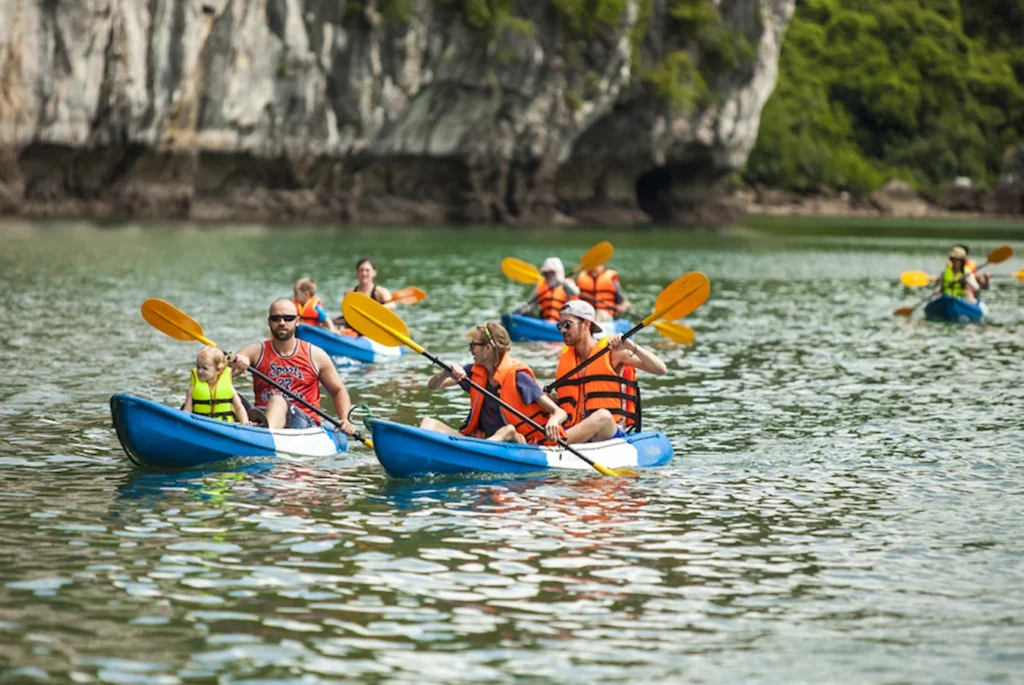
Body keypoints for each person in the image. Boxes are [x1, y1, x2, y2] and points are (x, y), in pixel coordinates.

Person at [420, 321, 568, 444]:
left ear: (488, 349)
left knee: (507, 430)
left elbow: (560, 412)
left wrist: (554, 421)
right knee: (429, 423)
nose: (470, 350)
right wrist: (446, 372)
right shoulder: (472, 372)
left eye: (473, 345)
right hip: (482, 441)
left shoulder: (519, 377)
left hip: (519, 443)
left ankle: (481, 451)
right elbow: (432, 386)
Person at [230, 299, 356, 433]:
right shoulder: (255, 352)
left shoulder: (316, 355)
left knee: (278, 399)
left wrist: (344, 419)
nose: (282, 323)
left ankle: (265, 434)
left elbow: (338, 391)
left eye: (288, 318)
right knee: (229, 394)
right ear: (269, 322)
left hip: (304, 423)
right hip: (262, 415)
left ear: (297, 321)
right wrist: (235, 363)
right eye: (276, 318)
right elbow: (221, 372)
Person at [551, 300, 666, 443]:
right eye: (559, 325)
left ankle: (551, 444)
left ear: (586, 324)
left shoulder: (614, 352)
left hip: (608, 433)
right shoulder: (566, 356)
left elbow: (660, 369)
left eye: (567, 324)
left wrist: (631, 346)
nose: (562, 330)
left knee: (603, 416)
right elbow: (567, 401)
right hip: (573, 428)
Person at [183, 346, 250, 424]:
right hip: (201, 424)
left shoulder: (229, 388)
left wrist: (245, 422)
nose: (200, 371)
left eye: (205, 368)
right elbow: (187, 410)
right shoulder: (193, 389)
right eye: (198, 367)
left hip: (225, 425)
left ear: (218, 370)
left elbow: (239, 407)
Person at [527, 257, 580, 321]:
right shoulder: (541, 285)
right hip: (544, 322)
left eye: (551, 273)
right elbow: (531, 306)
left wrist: (561, 281)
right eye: (546, 273)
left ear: (558, 274)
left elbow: (576, 292)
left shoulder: (568, 285)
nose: (548, 276)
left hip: (563, 323)